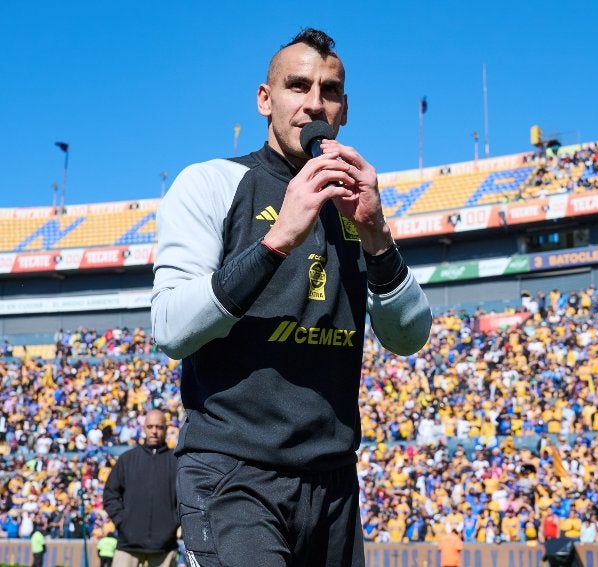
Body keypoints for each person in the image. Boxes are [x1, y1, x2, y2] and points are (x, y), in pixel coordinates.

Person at [151, 28, 431, 567]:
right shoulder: (211, 182)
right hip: (233, 473)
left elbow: (409, 337)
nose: (313, 104)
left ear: (343, 107)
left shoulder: (356, 201)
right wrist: (277, 240)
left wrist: (376, 233)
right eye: (297, 86)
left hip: (333, 482)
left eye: (329, 90)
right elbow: (170, 329)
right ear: (265, 99)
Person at [103, 410, 179, 567]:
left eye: (159, 427)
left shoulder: (176, 461)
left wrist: (174, 524)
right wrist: (122, 522)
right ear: (143, 428)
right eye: (150, 426)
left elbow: (186, 498)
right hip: (128, 545)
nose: (154, 431)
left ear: (166, 429)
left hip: (164, 547)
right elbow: (110, 494)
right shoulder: (127, 459)